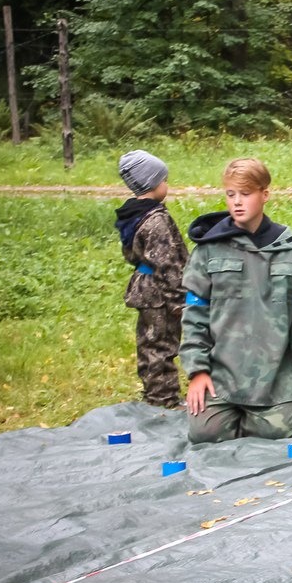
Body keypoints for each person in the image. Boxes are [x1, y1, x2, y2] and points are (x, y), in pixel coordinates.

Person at [181, 158, 292, 442]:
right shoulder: (208, 251)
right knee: (204, 434)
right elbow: (194, 314)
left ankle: (261, 414)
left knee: (275, 433)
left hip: (274, 375)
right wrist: (197, 371)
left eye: (245, 194)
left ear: (265, 195)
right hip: (222, 372)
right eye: (230, 194)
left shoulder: (291, 250)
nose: (237, 202)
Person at [114, 149, 188, 409]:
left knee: (149, 342)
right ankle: (163, 398)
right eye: (164, 179)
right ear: (153, 183)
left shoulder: (133, 215)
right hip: (158, 294)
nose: (167, 184)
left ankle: (154, 393)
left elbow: (131, 254)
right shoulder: (155, 220)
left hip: (145, 289)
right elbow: (167, 264)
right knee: (161, 344)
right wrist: (179, 299)